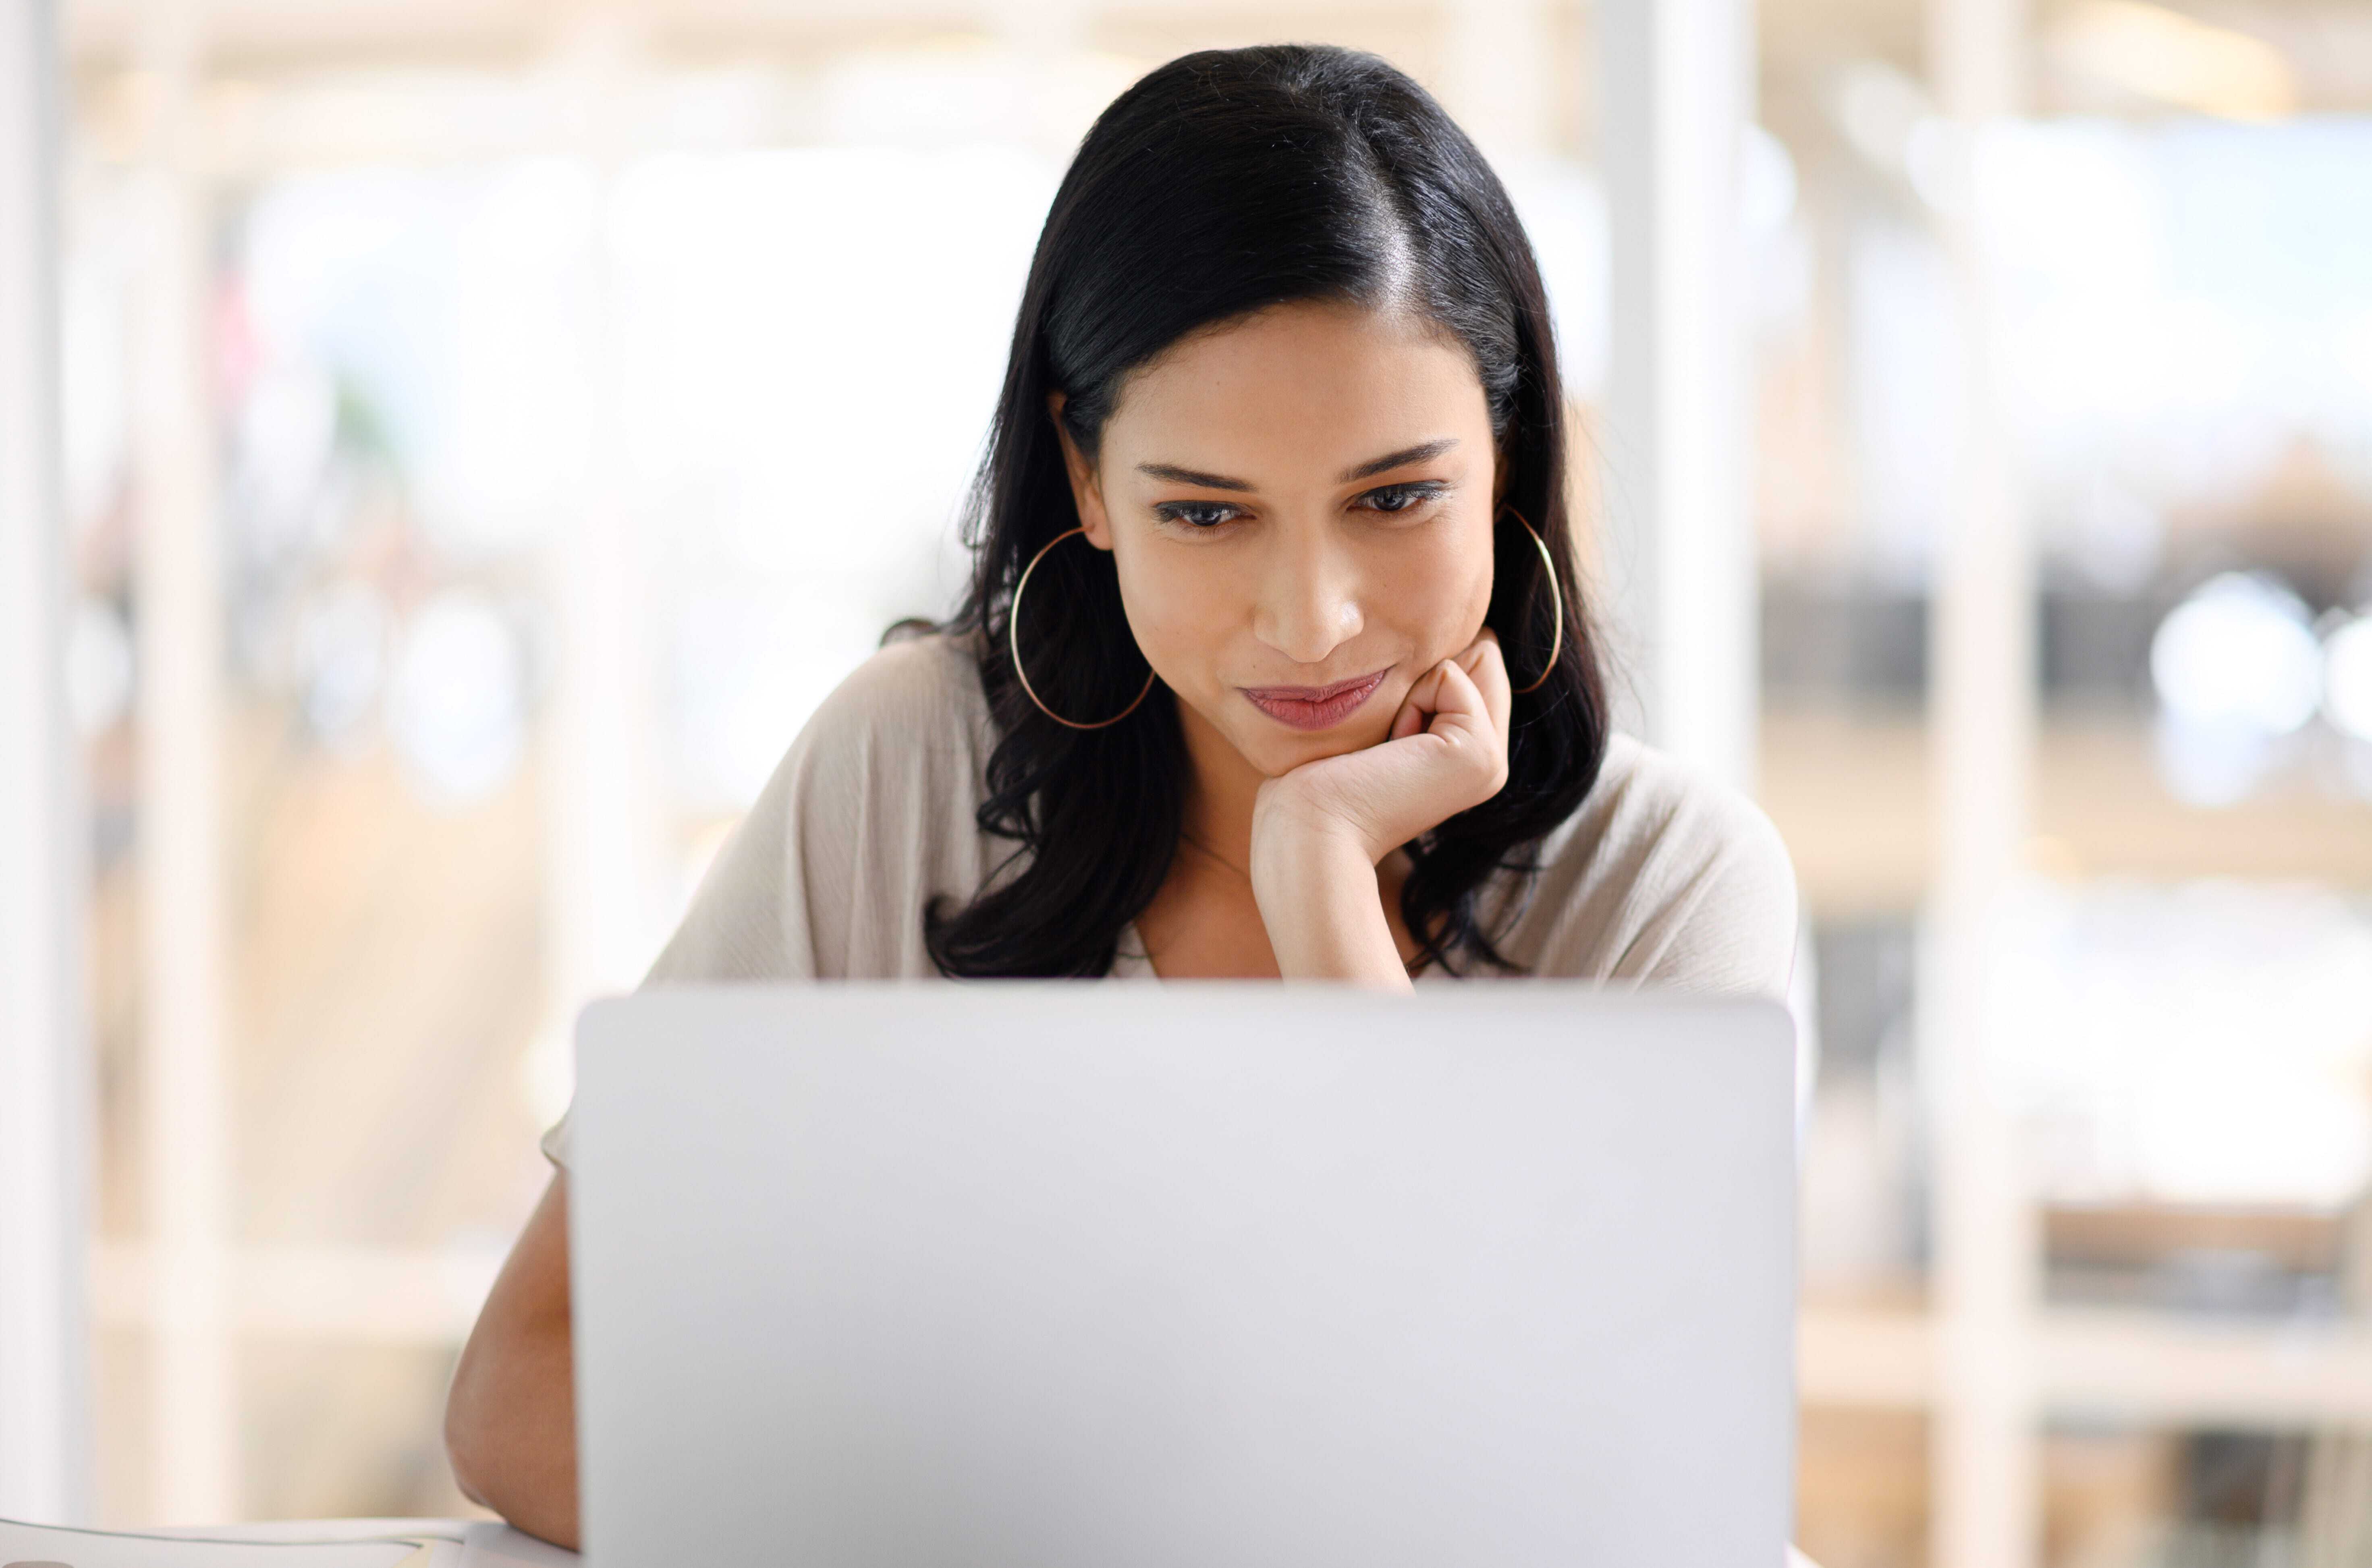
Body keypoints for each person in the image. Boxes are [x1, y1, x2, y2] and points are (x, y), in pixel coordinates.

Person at [444, 42, 1796, 1548]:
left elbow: (1552, 1526)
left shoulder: (1668, 891)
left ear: (1506, 456)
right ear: (1088, 481)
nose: (1313, 619)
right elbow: (524, 1392)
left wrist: (1326, 883)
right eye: (1207, 513)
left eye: (1396, 497)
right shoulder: (904, 774)